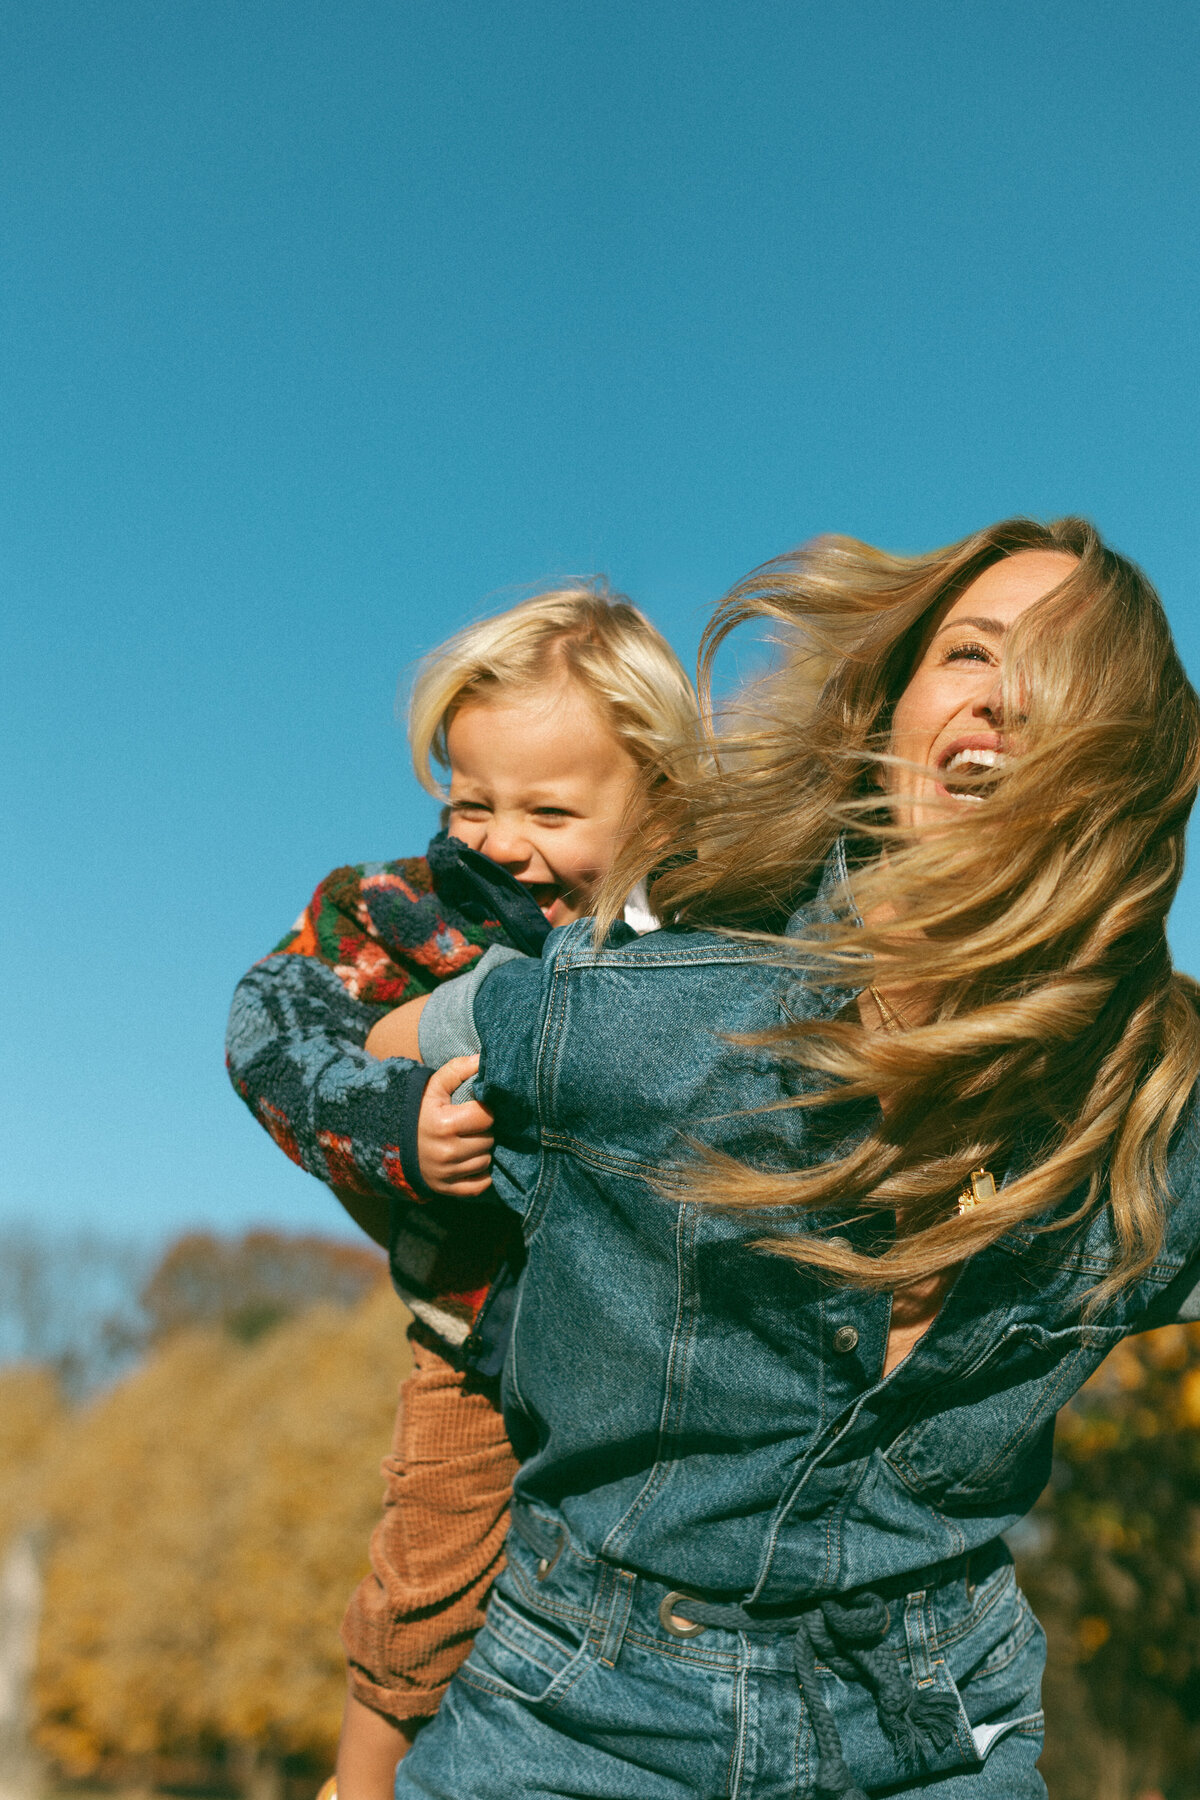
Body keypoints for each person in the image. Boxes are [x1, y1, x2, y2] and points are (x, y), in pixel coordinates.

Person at [380, 517, 1200, 1798]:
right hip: (580, 1710)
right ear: (898, 704)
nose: (1002, 692)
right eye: (969, 653)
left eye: (1062, 670)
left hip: (935, 1729)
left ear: (1128, 763)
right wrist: (416, 1145)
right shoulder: (666, 1009)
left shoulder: (1155, 1109)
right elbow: (386, 1037)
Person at [225, 582, 696, 1798]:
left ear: (658, 794)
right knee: (425, 1576)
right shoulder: (405, 909)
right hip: (476, 1332)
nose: (499, 840)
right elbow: (269, 1019)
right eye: (470, 800)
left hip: (657, 1347)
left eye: (549, 808)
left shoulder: (703, 925)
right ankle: (363, 1782)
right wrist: (393, 1124)